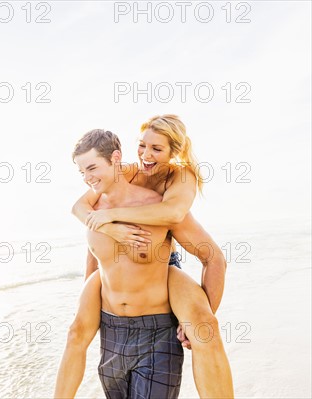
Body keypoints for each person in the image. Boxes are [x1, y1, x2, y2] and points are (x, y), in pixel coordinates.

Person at [54, 116, 233, 398]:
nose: (146, 155)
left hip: (161, 258)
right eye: (142, 146)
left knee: (205, 326)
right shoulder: (122, 172)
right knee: (76, 331)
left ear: (174, 152)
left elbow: (175, 215)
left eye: (157, 149)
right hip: (117, 270)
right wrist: (112, 230)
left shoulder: (180, 177)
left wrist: (112, 218)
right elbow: (81, 212)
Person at [68, 129, 184, 397]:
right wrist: (111, 228)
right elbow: (94, 255)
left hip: (157, 329)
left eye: (92, 168)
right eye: (82, 172)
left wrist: (191, 321)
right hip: (113, 330)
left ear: (116, 158)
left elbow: (210, 254)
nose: (87, 178)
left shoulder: (161, 196)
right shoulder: (95, 205)